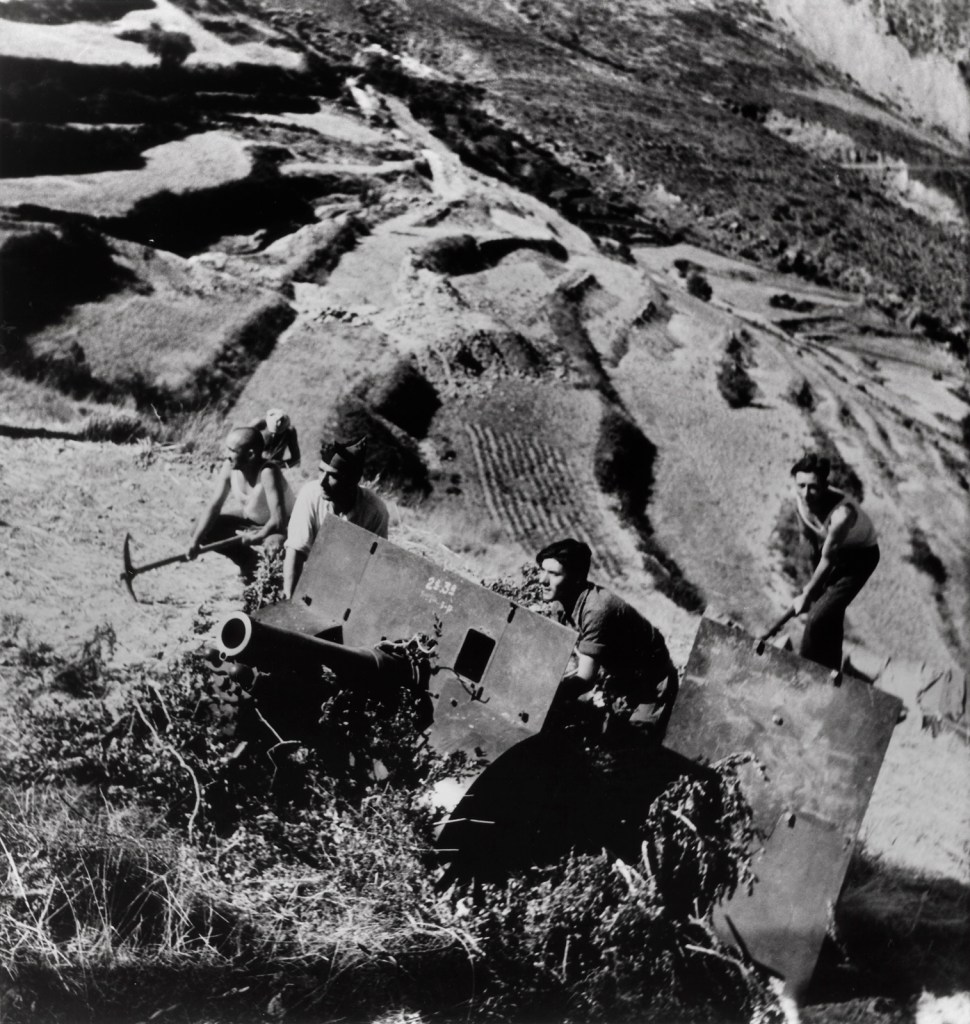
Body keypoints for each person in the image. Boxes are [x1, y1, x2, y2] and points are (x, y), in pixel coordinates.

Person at [536, 538, 678, 741]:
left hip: (651, 683)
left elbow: (585, 678)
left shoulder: (596, 610)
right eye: (542, 570)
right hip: (619, 678)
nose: (542, 580)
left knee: (632, 750)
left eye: (554, 574)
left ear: (576, 578)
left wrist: (545, 696)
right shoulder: (561, 603)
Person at [781, 451, 880, 671]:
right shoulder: (799, 495)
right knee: (828, 611)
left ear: (825, 485)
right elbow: (806, 536)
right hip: (836, 550)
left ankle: (804, 672)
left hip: (861, 557)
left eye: (813, 486)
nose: (806, 493)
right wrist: (811, 583)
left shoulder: (841, 516)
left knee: (817, 617)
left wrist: (807, 594)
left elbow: (828, 557)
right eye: (801, 485)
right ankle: (832, 671)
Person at [283, 437, 389, 599]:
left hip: (348, 585)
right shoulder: (310, 494)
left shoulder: (375, 511)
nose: (322, 482)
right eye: (320, 471)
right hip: (308, 576)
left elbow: (374, 567)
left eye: (333, 476)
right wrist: (289, 601)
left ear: (353, 479)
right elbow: (296, 550)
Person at [187, 426, 295, 570]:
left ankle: (270, 580)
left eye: (232, 451)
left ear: (250, 455)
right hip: (251, 520)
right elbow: (214, 505)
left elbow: (278, 521)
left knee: (275, 547)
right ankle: (248, 562)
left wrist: (257, 537)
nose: (226, 455)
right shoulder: (229, 466)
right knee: (198, 529)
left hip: (281, 527)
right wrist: (195, 542)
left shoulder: (268, 472)